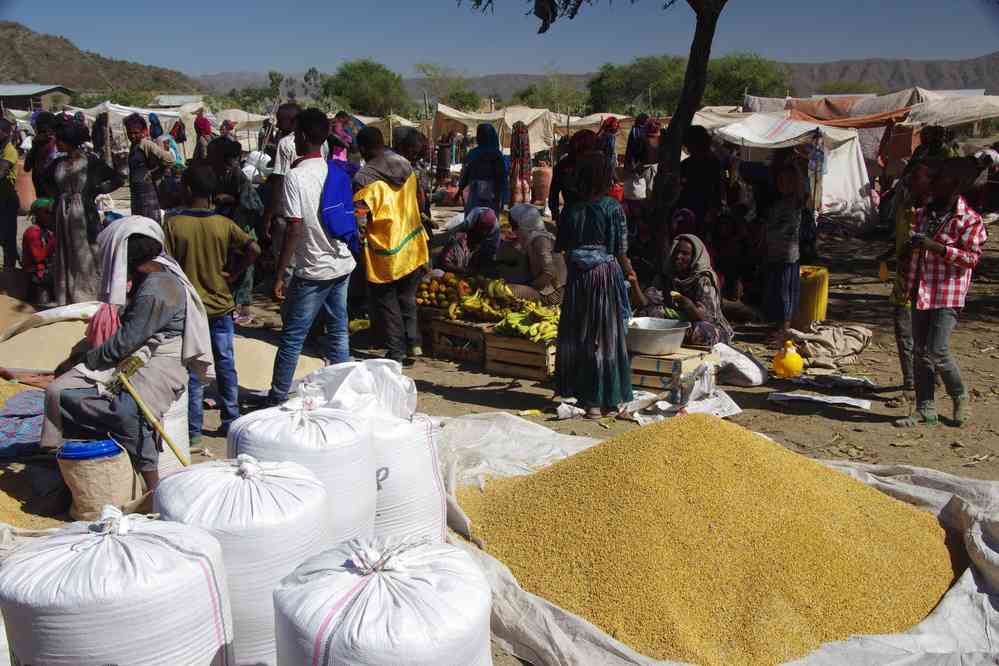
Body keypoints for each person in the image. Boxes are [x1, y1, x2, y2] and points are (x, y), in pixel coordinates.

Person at [41, 216, 212, 491]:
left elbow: (124, 342)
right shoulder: (149, 275)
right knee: (58, 391)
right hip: (137, 351)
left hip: (162, 359)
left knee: (128, 411)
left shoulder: (157, 289)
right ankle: (74, 468)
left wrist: (86, 360)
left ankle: (151, 482)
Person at [163, 164, 260, 441]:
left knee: (194, 370)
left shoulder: (173, 224)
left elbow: (165, 264)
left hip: (190, 308)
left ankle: (192, 431)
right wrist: (236, 272)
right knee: (225, 364)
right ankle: (231, 419)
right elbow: (254, 248)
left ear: (188, 189)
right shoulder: (224, 225)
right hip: (221, 304)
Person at [265, 108, 356, 404]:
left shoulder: (295, 176)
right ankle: (341, 394)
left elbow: (294, 228)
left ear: (301, 136)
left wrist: (279, 274)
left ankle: (277, 397)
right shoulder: (335, 170)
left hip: (313, 269)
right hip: (341, 263)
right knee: (338, 331)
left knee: (293, 337)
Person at [896, 158, 988, 429]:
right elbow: (916, 248)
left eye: (939, 180)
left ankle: (959, 396)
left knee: (936, 350)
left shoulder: (970, 220)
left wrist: (937, 248)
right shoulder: (925, 214)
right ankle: (925, 408)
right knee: (920, 351)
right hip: (920, 289)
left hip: (948, 293)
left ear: (954, 186)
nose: (933, 185)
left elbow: (971, 259)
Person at [555, 151, 636, 419]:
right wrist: (630, 274)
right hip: (604, 276)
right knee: (604, 338)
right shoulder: (613, 208)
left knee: (582, 336)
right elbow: (620, 249)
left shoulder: (570, 211)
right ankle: (606, 401)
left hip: (579, 277)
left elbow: (564, 249)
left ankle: (588, 401)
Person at [354, 126, 430, 365]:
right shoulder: (406, 166)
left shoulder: (363, 178)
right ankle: (413, 343)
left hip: (385, 251)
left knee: (387, 301)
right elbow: (419, 201)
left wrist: (357, 241)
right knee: (407, 297)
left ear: (363, 148)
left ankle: (396, 351)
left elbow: (361, 219)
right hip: (413, 244)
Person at [46, 122, 124, 304]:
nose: (56, 143)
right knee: (67, 252)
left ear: (68, 141)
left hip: (84, 215)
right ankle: (69, 295)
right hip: (63, 216)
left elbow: (117, 178)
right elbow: (45, 180)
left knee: (88, 252)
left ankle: (89, 294)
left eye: (59, 140)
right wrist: (58, 198)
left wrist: (96, 190)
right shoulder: (58, 163)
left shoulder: (90, 162)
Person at [880, 160, 934, 394]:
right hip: (904, 281)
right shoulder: (905, 208)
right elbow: (901, 238)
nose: (910, 184)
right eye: (909, 180)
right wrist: (891, 253)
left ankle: (926, 378)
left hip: (928, 284)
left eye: (916, 180)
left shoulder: (934, 214)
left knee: (927, 334)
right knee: (904, 331)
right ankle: (911, 380)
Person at [633, 234, 734, 346]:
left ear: (694, 257)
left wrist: (689, 306)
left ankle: (672, 337)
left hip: (704, 325)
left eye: (685, 254)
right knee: (644, 314)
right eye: (676, 252)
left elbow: (708, 318)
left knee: (702, 333)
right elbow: (645, 303)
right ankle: (673, 337)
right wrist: (634, 282)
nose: (678, 257)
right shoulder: (667, 276)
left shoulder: (704, 279)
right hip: (678, 322)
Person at [214, 139, 264, 324]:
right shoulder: (224, 175)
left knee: (244, 269)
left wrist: (229, 200)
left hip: (242, 229)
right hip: (231, 227)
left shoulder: (239, 177)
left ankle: (244, 308)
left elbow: (254, 206)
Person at [764, 162, 804, 346]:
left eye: (788, 181)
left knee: (785, 293)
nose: (783, 184)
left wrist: (768, 230)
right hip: (773, 253)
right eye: (780, 181)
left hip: (787, 255)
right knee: (776, 293)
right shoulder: (779, 202)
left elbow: (785, 228)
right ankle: (778, 328)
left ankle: (785, 332)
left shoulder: (795, 203)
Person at [507, 203, 566, 306]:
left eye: (515, 225)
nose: (514, 229)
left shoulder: (540, 240)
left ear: (524, 222)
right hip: (544, 289)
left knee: (506, 290)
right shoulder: (533, 237)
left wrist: (531, 286)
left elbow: (549, 272)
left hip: (552, 294)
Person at [124, 113, 175, 222]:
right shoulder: (133, 146)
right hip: (136, 192)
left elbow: (169, 159)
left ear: (143, 131)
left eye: (135, 133)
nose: (132, 136)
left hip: (147, 192)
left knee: (150, 224)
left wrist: (153, 173)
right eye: (129, 133)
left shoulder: (146, 145)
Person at [676, 125, 723, 242]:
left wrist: (712, 211)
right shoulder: (686, 164)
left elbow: (716, 189)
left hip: (704, 211)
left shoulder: (712, 163)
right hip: (688, 211)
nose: (687, 147)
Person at [549, 129, 598, 223]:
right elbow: (554, 192)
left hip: (582, 214)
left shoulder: (597, 162)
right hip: (575, 214)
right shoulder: (564, 165)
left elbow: (553, 192)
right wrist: (555, 213)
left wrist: (555, 214)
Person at [459, 123, 507, 216]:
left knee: (473, 221)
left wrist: (460, 191)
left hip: (475, 193)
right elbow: (502, 177)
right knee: (489, 222)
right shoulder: (497, 154)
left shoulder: (473, 153)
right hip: (492, 194)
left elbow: (464, 174)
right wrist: (502, 197)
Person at [437, 207, 501, 275]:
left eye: (486, 231)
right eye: (481, 229)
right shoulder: (458, 242)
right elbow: (444, 263)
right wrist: (463, 270)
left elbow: (490, 257)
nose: (484, 233)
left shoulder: (488, 240)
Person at [22, 198, 57, 305]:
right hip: (38, 279)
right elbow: (38, 257)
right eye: (47, 212)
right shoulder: (32, 232)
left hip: (47, 275)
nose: (50, 216)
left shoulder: (46, 231)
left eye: (51, 212)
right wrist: (53, 240)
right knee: (42, 307)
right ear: (38, 214)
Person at [24, 111, 60, 197]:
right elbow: (27, 167)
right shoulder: (36, 143)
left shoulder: (59, 143)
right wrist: (35, 147)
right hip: (41, 189)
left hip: (53, 191)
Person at [0, 119, 19, 270]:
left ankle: (10, 269)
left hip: (7, 200)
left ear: (6, 133)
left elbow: (2, 172)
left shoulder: (10, 150)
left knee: (8, 238)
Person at [509, 121, 532, 205]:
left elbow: (514, 151)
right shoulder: (526, 135)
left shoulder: (516, 135)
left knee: (516, 183)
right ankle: (525, 203)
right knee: (525, 183)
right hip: (526, 163)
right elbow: (527, 151)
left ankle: (517, 204)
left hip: (518, 163)